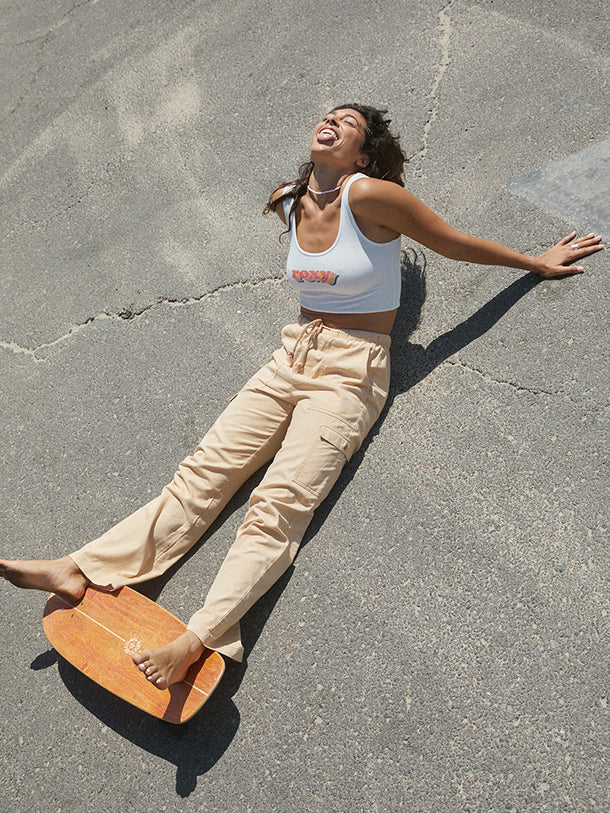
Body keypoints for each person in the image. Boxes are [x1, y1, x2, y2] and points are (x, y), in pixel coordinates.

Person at [1, 104, 603, 690]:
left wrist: (535, 263)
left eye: (349, 124)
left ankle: (199, 638)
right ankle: (80, 568)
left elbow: (452, 242)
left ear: (362, 155)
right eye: (330, 115)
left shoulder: (372, 197)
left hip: (352, 370)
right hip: (290, 355)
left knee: (278, 506)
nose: (332, 122)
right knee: (201, 475)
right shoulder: (289, 200)